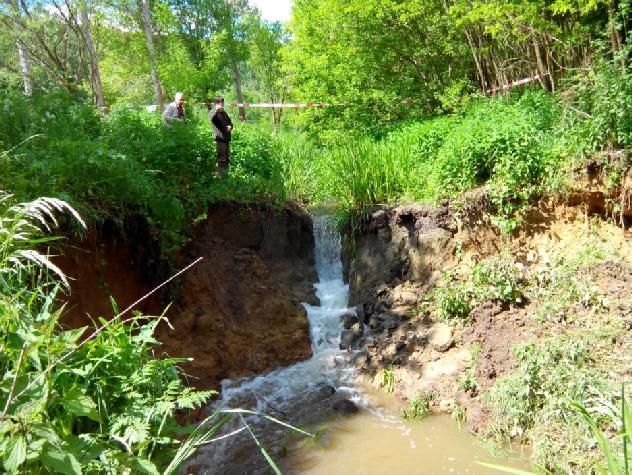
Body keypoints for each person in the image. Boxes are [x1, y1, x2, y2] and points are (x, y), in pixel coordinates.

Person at [209, 96, 233, 175]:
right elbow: (213, 119)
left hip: (226, 138)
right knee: (221, 160)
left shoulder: (224, 113)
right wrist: (216, 111)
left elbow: (230, 122)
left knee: (227, 158)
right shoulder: (213, 112)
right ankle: (222, 178)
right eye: (220, 102)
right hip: (219, 139)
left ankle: (226, 175)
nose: (222, 104)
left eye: (223, 102)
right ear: (216, 103)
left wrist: (230, 126)